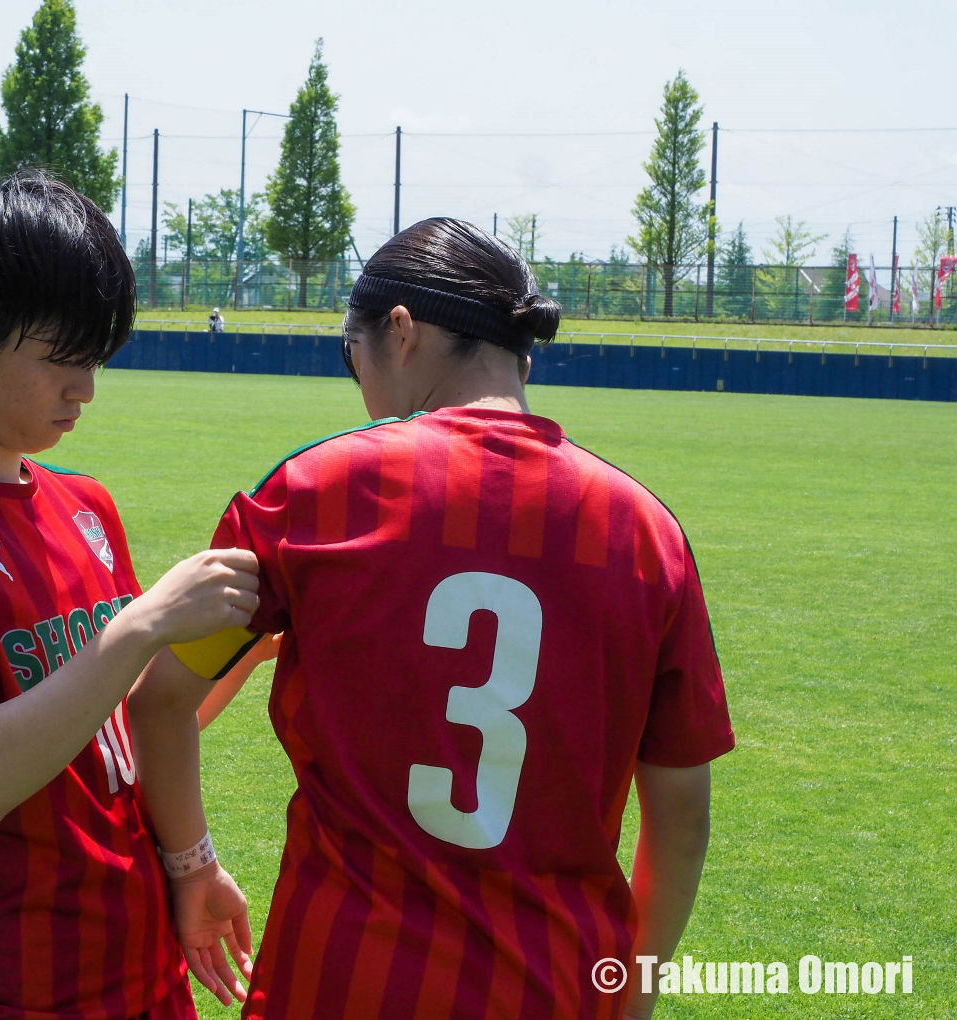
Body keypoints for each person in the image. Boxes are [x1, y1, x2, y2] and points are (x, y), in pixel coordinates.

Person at [127, 217, 735, 1019]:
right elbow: (682, 816)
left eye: (351, 353)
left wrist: (193, 865)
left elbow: (161, 701)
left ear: (401, 332)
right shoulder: (645, 533)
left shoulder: (315, 493)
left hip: (337, 979)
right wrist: (634, 993)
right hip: (553, 984)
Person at [0, 171, 264, 1020]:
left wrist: (191, 864)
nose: (86, 390)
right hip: (4, 986)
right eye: (61, 359)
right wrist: (144, 625)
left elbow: (120, 724)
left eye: (94, 360)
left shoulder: (85, 505)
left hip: (141, 960)